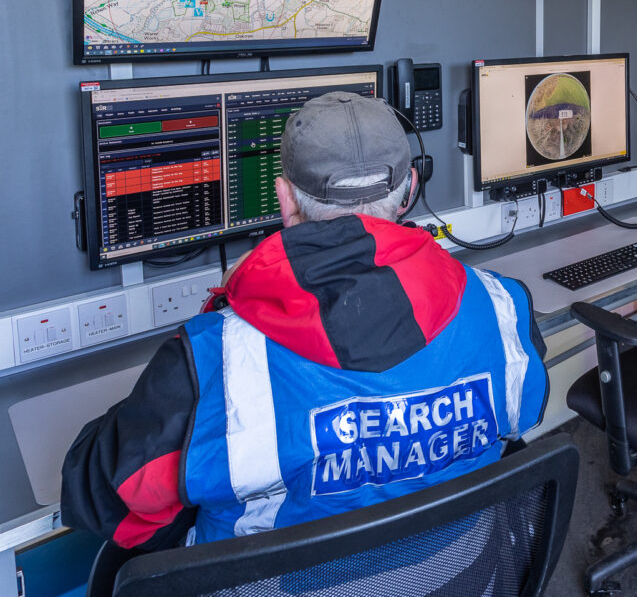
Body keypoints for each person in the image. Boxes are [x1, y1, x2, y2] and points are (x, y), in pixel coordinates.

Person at [61, 92, 549, 550]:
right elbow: (524, 415)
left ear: (285, 198)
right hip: (457, 572)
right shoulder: (502, 305)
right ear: (410, 192)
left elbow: (103, 499)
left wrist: (225, 317)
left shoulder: (220, 356)